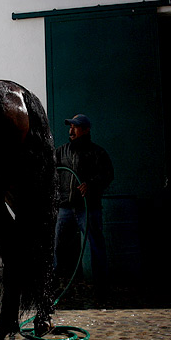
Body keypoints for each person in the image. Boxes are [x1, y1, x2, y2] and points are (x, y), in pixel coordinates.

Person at [54, 114, 114, 294]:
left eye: (76, 126)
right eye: (70, 126)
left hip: (88, 208)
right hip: (65, 207)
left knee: (95, 245)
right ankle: (57, 283)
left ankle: (100, 285)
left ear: (86, 129)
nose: (71, 130)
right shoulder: (60, 152)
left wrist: (91, 184)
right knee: (58, 247)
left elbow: (108, 175)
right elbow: (51, 175)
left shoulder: (97, 153)